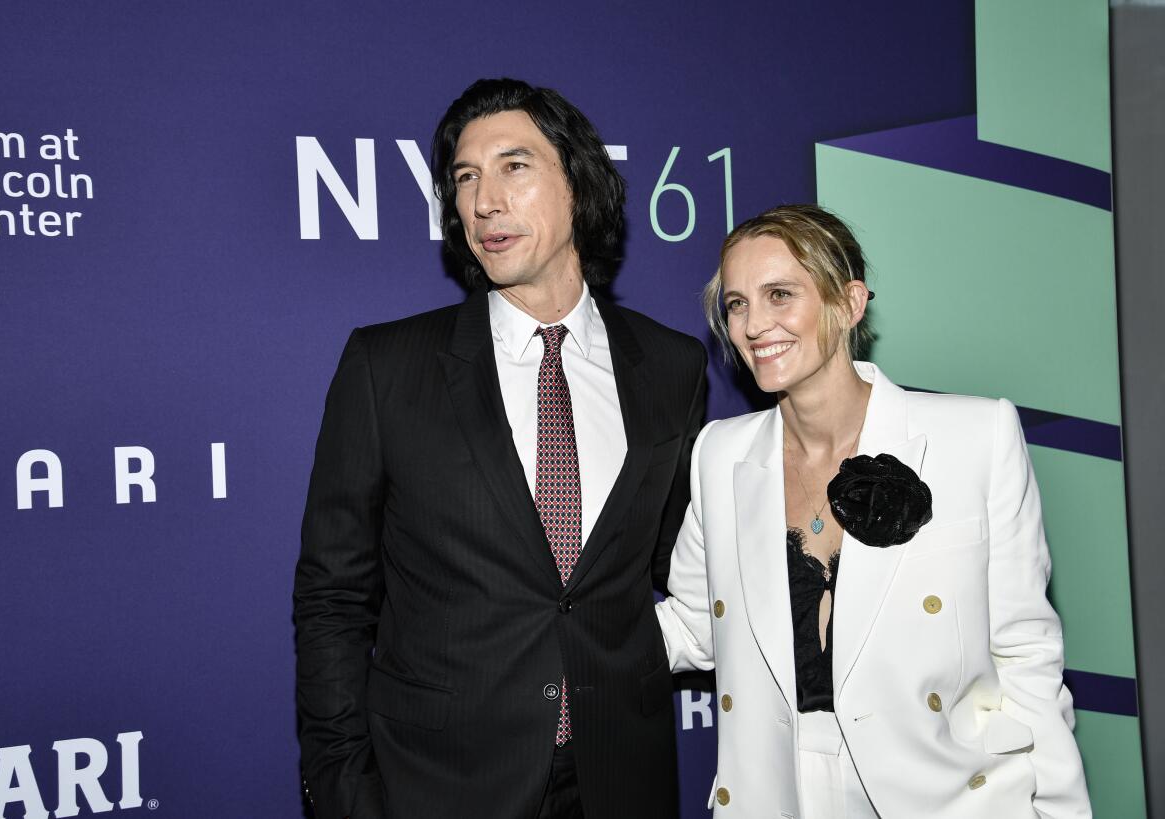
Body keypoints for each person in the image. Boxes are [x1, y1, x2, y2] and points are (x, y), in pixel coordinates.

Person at [294, 78, 706, 819]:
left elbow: (686, 564)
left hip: (622, 777)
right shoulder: (386, 368)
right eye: (465, 178)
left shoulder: (673, 366)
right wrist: (341, 788)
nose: (485, 200)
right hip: (440, 784)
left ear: (578, 185)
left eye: (514, 167)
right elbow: (332, 598)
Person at [656, 204, 1091, 818]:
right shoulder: (719, 454)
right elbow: (696, 624)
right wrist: (551, 640)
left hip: (941, 796)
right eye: (737, 304)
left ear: (849, 302)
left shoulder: (975, 437)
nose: (755, 325)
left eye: (780, 295)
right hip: (778, 794)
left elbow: (1026, 655)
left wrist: (1063, 810)